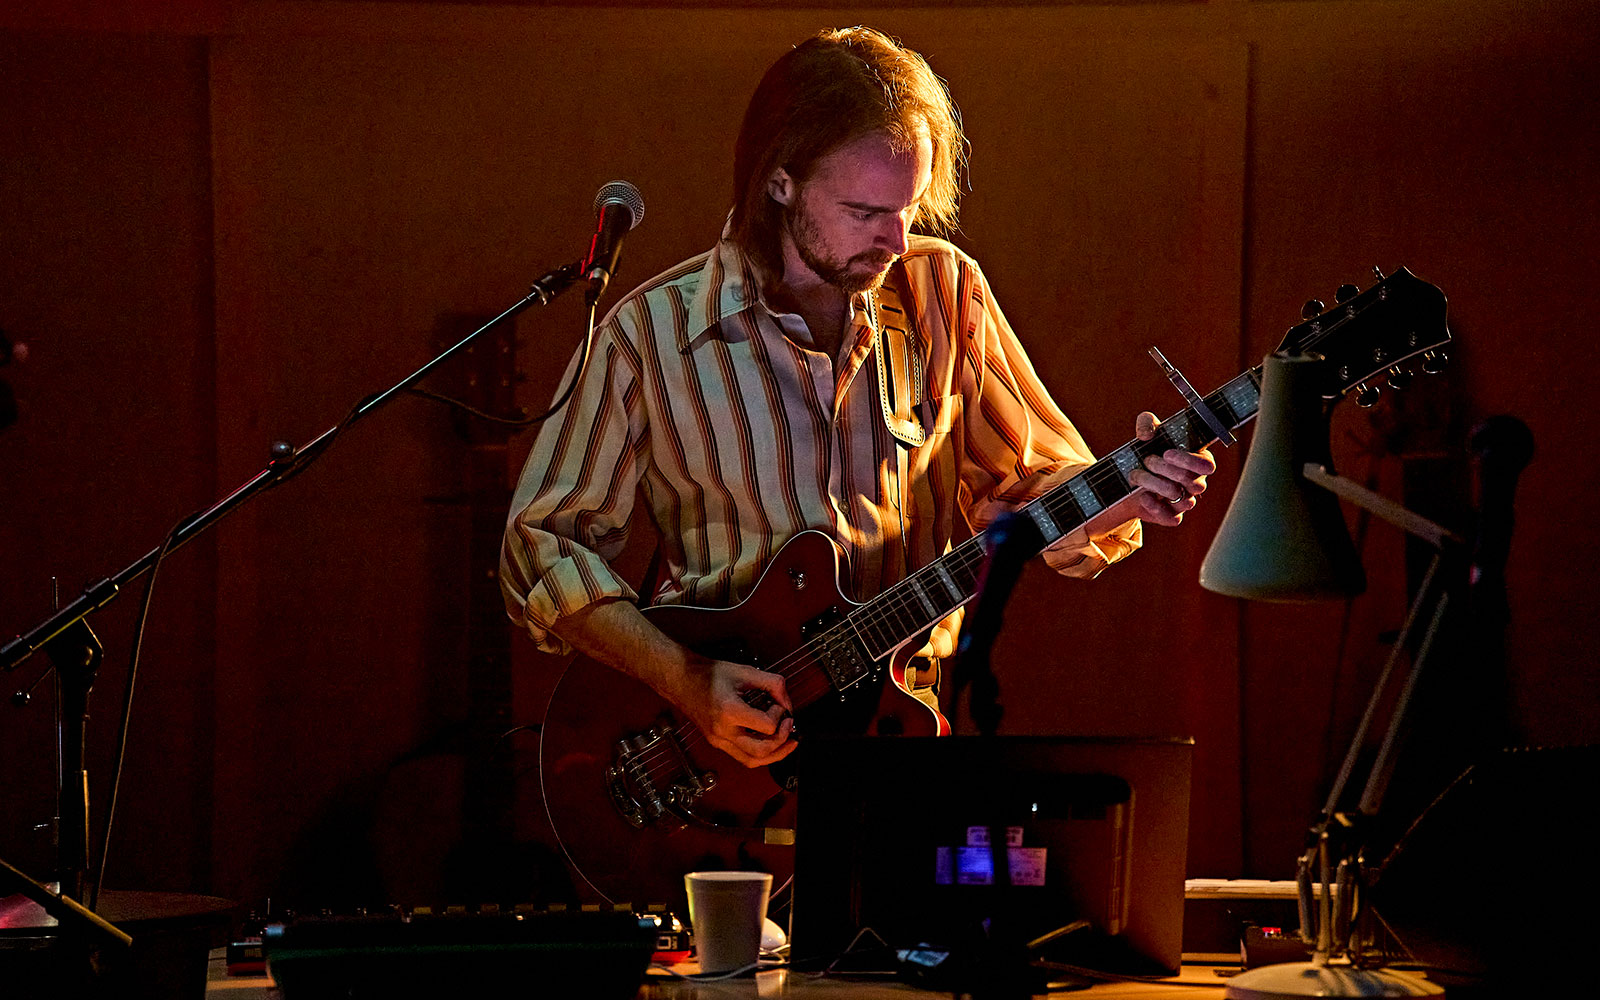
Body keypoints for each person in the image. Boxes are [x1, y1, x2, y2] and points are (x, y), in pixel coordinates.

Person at [501, 26, 1214, 771]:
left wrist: (1119, 495)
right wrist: (686, 681)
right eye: (866, 213)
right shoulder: (649, 335)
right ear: (780, 182)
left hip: (905, 741)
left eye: (909, 210)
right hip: (720, 759)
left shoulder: (945, 292)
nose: (897, 241)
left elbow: (1030, 489)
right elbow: (543, 546)